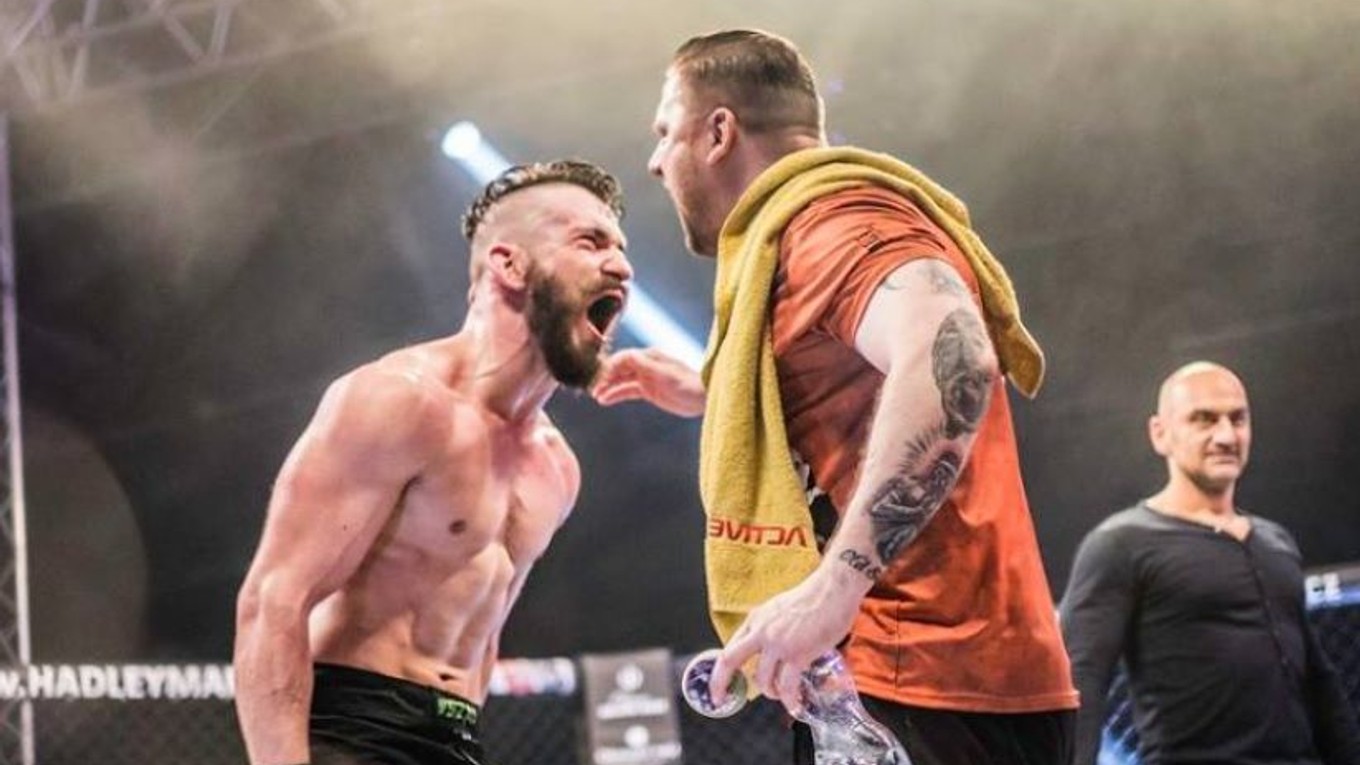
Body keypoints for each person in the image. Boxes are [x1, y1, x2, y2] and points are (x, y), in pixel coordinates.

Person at [592, 29, 1077, 765]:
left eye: (666, 132)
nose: (656, 160)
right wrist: (719, 393)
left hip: (919, 679)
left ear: (719, 132)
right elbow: (867, 381)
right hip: (914, 682)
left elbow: (956, 355)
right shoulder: (808, 235)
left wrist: (836, 585)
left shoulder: (836, 222)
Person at [233, 159, 632, 765]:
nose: (621, 266)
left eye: (621, 248)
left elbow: (482, 637)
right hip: (350, 732)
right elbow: (273, 600)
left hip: (457, 737)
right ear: (509, 265)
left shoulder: (556, 468)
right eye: (590, 241)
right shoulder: (399, 402)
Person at [1059, 361, 1360, 765]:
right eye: (1203, 419)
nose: (1225, 435)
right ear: (1160, 433)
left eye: (1237, 419)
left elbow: (1319, 682)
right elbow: (1079, 681)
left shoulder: (1275, 541)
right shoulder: (1121, 544)